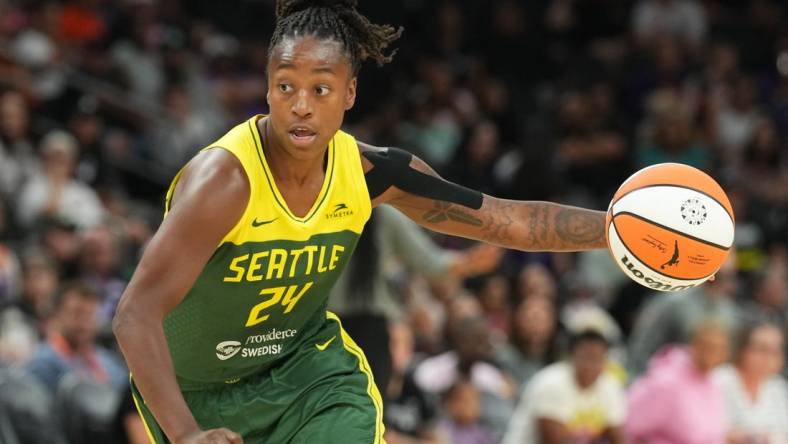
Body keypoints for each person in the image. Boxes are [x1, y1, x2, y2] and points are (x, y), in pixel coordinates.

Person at [112, 1, 608, 443]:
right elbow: (135, 313)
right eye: (286, 86)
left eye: (320, 88)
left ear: (349, 92)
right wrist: (186, 435)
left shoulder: (373, 173)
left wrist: (616, 230)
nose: (301, 106)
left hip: (307, 374)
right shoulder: (225, 183)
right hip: (195, 391)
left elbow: (506, 220)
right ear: (267, 89)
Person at [502, 330, 626, 444]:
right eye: (587, 357)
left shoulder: (610, 386)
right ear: (571, 356)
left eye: (598, 359)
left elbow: (618, 437)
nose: (592, 365)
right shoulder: (550, 383)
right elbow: (553, 441)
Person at [626, 320, 731, 444]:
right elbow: (628, 423)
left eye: (718, 348)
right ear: (693, 344)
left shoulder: (714, 382)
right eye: (706, 345)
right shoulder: (667, 381)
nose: (711, 353)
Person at [714, 322, 788, 443]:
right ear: (743, 349)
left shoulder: (778, 387)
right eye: (763, 349)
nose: (769, 357)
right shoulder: (720, 379)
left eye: (776, 351)